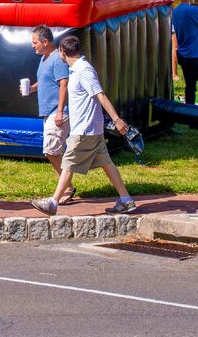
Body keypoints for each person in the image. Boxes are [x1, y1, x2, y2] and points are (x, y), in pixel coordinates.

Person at [30, 35, 135, 216]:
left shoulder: (84, 71)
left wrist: (116, 120)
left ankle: (53, 203)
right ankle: (126, 199)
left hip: (84, 130)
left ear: (63, 52)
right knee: (107, 164)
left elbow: (100, 95)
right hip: (90, 129)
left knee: (68, 163)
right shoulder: (75, 69)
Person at [22, 25, 74, 202]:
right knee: (53, 152)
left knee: (51, 152)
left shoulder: (57, 60)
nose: (32, 45)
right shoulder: (44, 58)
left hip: (56, 112)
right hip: (47, 113)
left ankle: (68, 187)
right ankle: (66, 186)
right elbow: (45, 82)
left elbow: (64, 84)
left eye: (34, 42)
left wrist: (60, 111)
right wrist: (31, 89)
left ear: (45, 42)